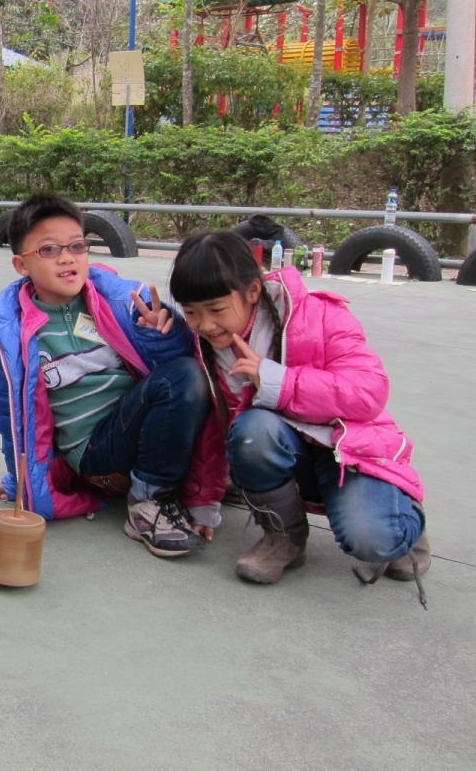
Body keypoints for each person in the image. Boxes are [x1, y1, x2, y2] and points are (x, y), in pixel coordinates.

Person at [168, 231, 428, 599]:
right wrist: (202, 501)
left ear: (252, 291)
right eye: (191, 312)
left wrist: (276, 381)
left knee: (374, 540)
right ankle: (283, 537)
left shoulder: (319, 314)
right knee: (251, 430)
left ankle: (403, 521)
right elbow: (214, 425)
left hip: (349, 453)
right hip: (288, 452)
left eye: (216, 309)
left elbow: (368, 391)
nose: (205, 324)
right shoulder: (209, 346)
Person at [0, 194, 225, 558]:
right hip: (95, 451)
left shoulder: (120, 303)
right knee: (182, 377)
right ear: (21, 264)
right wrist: (19, 481)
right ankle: (149, 502)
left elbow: (179, 372)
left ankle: (181, 481)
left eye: (77, 246)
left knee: (192, 375)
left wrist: (161, 335)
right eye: (49, 249)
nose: (67, 258)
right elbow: (11, 421)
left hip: (137, 426)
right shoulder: (8, 340)